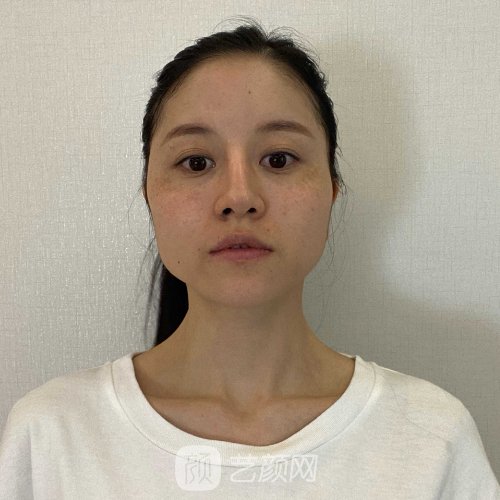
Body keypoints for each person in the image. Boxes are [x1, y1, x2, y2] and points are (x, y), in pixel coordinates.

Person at [0, 18, 499, 499]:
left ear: (332, 188)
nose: (239, 197)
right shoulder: (52, 437)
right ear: (148, 194)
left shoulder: (430, 439)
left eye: (278, 159)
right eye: (196, 162)